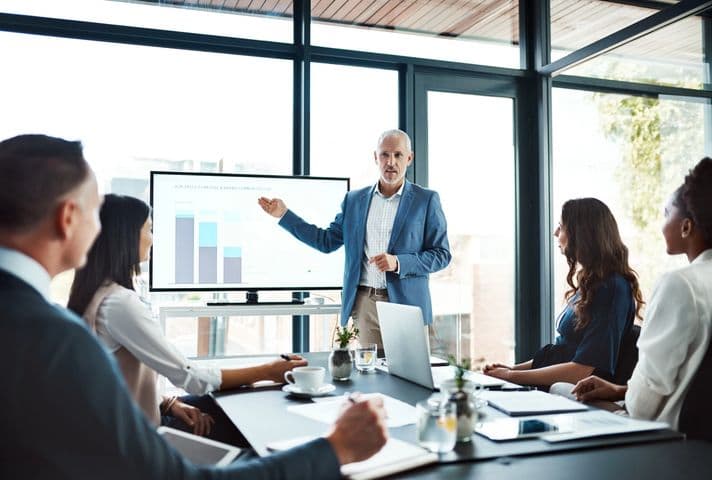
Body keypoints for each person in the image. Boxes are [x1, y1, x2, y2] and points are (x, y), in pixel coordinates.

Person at [0, 133, 387, 479]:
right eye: (92, 214)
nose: (97, 228)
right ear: (67, 219)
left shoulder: (46, 321)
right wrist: (337, 448)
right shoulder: (59, 337)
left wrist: (166, 400)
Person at [66, 194, 308, 444]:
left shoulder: (94, 293)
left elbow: (114, 379)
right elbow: (193, 378)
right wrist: (269, 371)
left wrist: (167, 403)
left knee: (238, 403)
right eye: (149, 229)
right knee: (256, 419)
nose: (152, 238)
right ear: (126, 236)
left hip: (119, 424)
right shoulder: (119, 304)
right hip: (135, 440)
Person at [258, 129, 451, 350]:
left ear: (409, 158)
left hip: (407, 305)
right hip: (365, 304)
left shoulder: (426, 200)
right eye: (384, 155)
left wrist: (398, 262)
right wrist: (284, 215)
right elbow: (326, 241)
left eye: (398, 155)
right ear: (375, 158)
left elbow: (442, 255)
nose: (391, 162)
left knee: (411, 378)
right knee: (373, 378)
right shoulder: (354, 200)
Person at [571, 158, 712, 430]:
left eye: (666, 213)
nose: (661, 224)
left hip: (663, 438)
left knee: (561, 392)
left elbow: (644, 403)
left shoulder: (680, 285)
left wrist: (624, 400)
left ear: (686, 226)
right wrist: (618, 390)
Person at [484, 198, 644, 387]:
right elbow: (563, 352)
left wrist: (511, 377)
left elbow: (581, 371)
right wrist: (511, 370)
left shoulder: (612, 288)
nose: (555, 233)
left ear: (581, 234)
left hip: (578, 396)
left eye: (561, 227)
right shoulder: (592, 283)